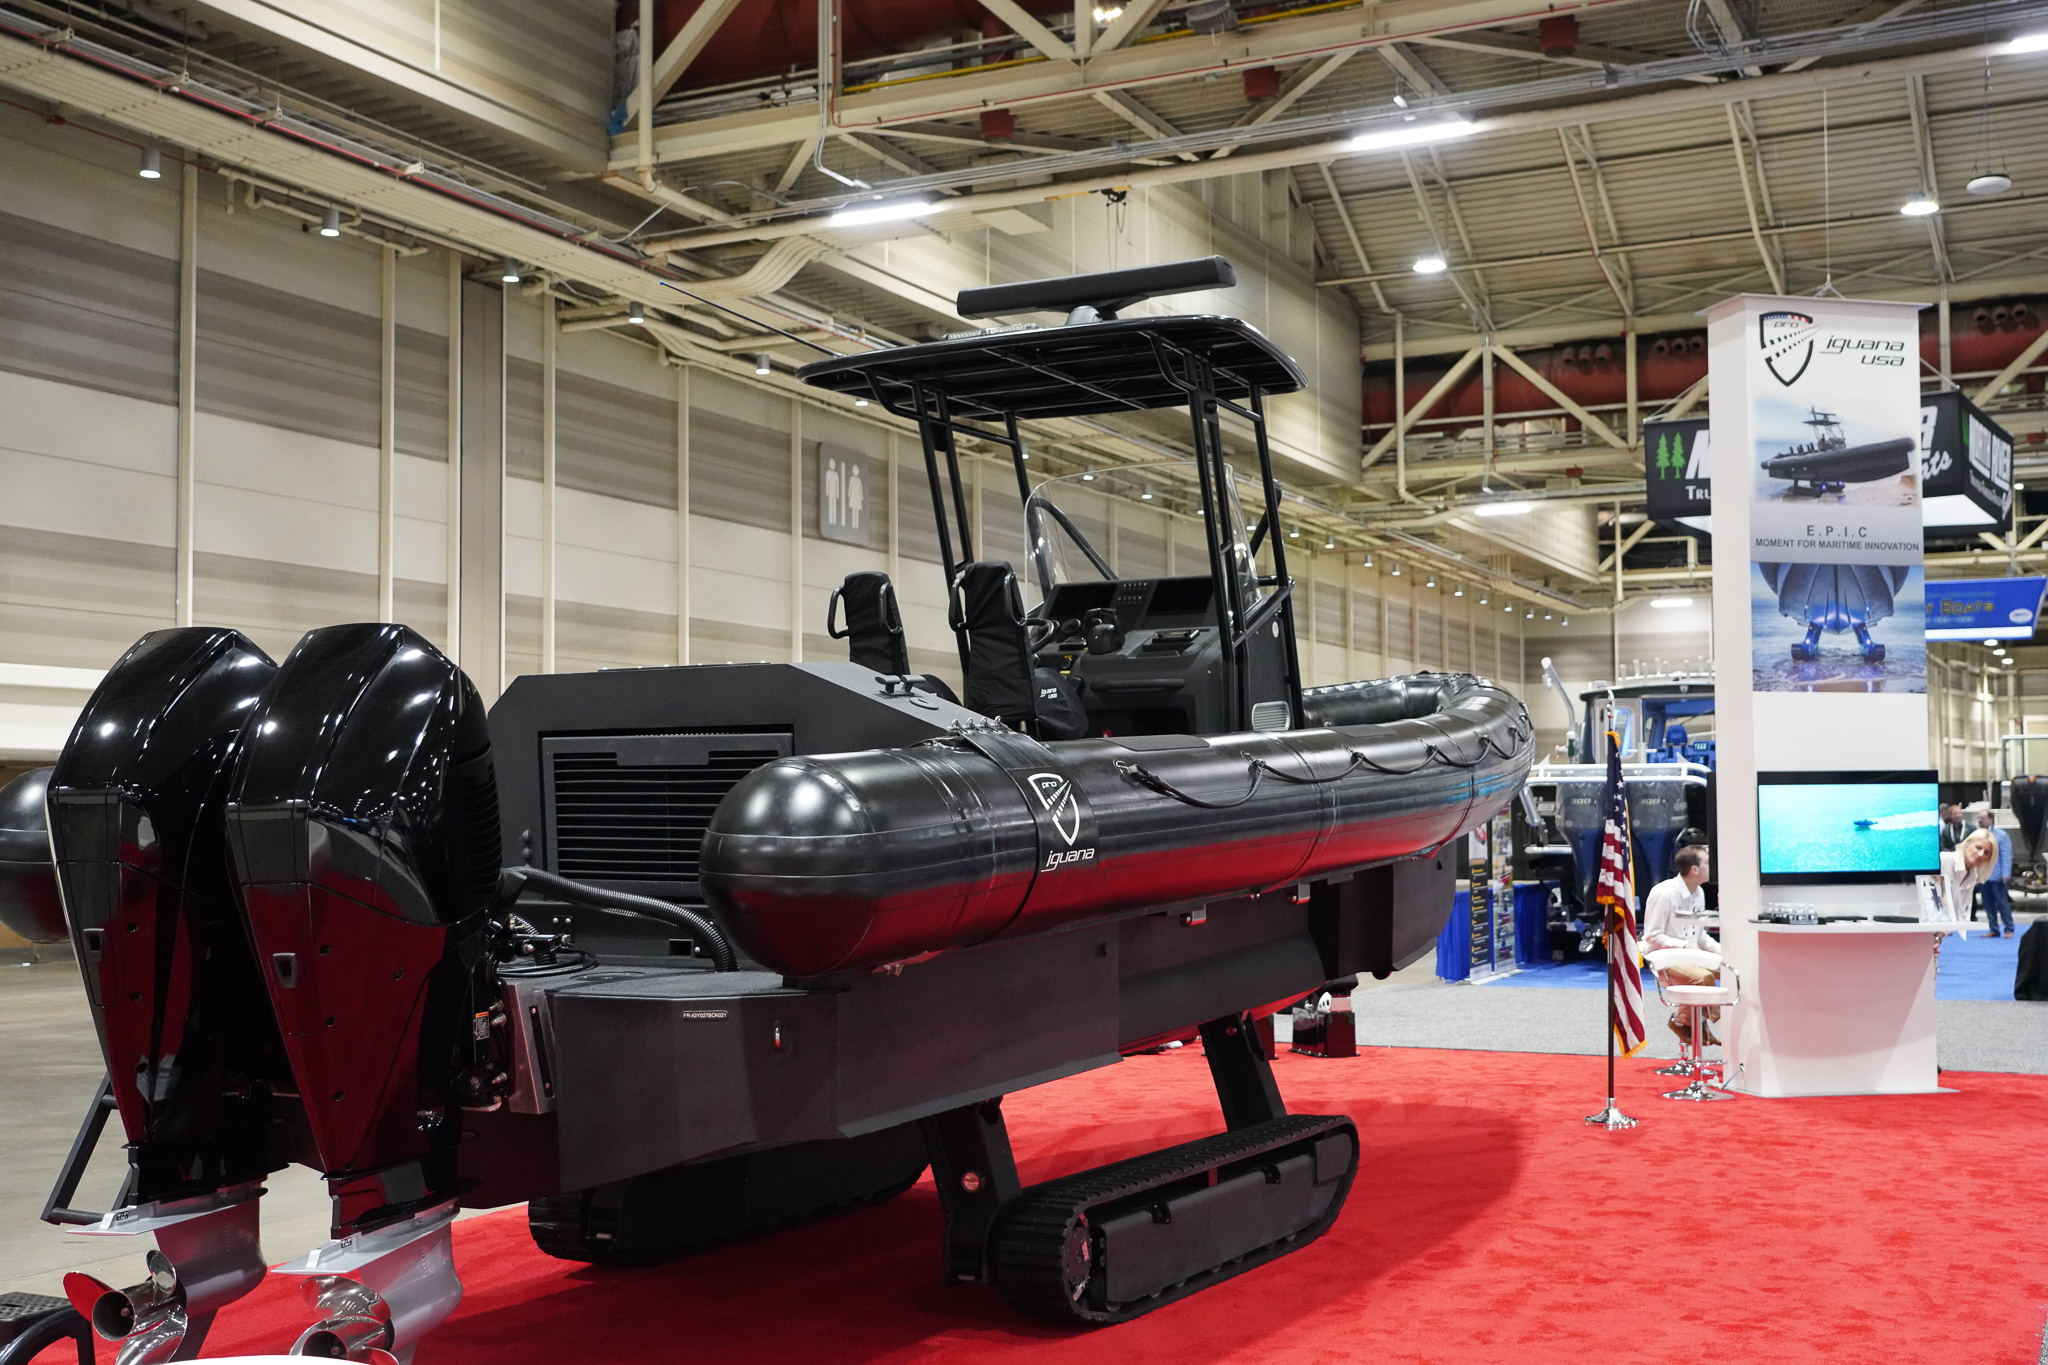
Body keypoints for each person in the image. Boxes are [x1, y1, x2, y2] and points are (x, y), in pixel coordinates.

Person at [1642, 846, 1719, 1044]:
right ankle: (1686, 1021)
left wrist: (1724, 952)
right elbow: (1652, 936)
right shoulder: (1663, 893)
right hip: (1664, 957)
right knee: (1704, 977)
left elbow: (1701, 937)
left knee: (1731, 968)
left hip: (1692, 956)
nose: (1713, 865)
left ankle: (1697, 1021)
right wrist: (1683, 946)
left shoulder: (1699, 892)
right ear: (1694, 869)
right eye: (1708, 862)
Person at [1941, 829, 1998, 924]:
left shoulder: (1973, 875)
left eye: (1986, 853)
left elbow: (1960, 908)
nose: (1980, 854)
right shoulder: (1945, 860)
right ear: (1967, 844)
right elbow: (1941, 900)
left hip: (1945, 927)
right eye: (1978, 847)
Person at [1976, 809, 2015, 938]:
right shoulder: (1976, 836)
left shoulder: (2001, 835)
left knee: (2002, 904)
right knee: (1987, 904)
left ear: (1991, 820)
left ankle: (2009, 929)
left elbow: (2006, 855)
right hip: (1983, 876)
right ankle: (1994, 928)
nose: (1980, 820)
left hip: (1997, 876)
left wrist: (2006, 874)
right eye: (1979, 818)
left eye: (1982, 818)